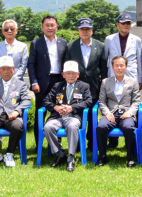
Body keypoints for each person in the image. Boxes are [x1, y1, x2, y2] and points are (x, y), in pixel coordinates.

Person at [42, 61, 92, 172]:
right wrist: (56, 107)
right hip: (57, 117)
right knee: (48, 127)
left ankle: (70, 157)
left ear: (78, 74)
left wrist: (72, 108)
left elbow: (88, 102)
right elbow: (46, 100)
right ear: (63, 75)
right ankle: (60, 153)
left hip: (73, 117)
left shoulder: (84, 86)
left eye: (73, 73)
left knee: (73, 126)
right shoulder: (57, 86)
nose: (71, 76)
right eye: (68, 73)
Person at [65, 17, 107, 145]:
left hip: (94, 87)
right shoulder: (71, 46)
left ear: (92, 31)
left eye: (87, 29)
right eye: (82, 29)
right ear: (78, 31)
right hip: (75, 87)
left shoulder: (100, 46)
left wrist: (103, 86)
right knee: (77, 115)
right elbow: (67, 66)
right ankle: (76, 143)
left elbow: (103, 68)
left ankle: (92, 142)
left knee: (91, 117)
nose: (85, 32)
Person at [95, 55, 141, 168]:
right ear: (112, 67)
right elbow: (101, 101)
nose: (119, 68)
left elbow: (136, 101)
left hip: (126, 114)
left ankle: (130, 157)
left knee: (129, 127)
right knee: (101, 127)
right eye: (116, 65)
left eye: (122, 65)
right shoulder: (106, 82)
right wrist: (106, 113)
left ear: (126, 67)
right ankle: (102, 156)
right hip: (110, 113)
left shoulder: (133, 82)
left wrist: (130, 112)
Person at [28, 15, 67, 145]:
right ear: (42, 27)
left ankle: (57, 143)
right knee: (41, 113)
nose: (50, 27)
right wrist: (34, 82)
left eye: (52, 25)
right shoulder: (36, 43)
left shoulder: (63, 42)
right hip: (42, 83)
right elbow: (31, 64)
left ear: (57, 26)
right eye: (47, 25)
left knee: (59, 112)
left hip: (59, 82)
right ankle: (38, 143)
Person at [104, 12, 142, 87]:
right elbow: (105, 60)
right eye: (123, 23)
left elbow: (139, 61)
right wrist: (105, 78)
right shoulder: (109, 39)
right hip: (113, 75)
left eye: (128, 23)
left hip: (131, 75)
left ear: (131, 24)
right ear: (117, 25)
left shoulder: (136, 40)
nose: (125, 25)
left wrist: (140, 79)